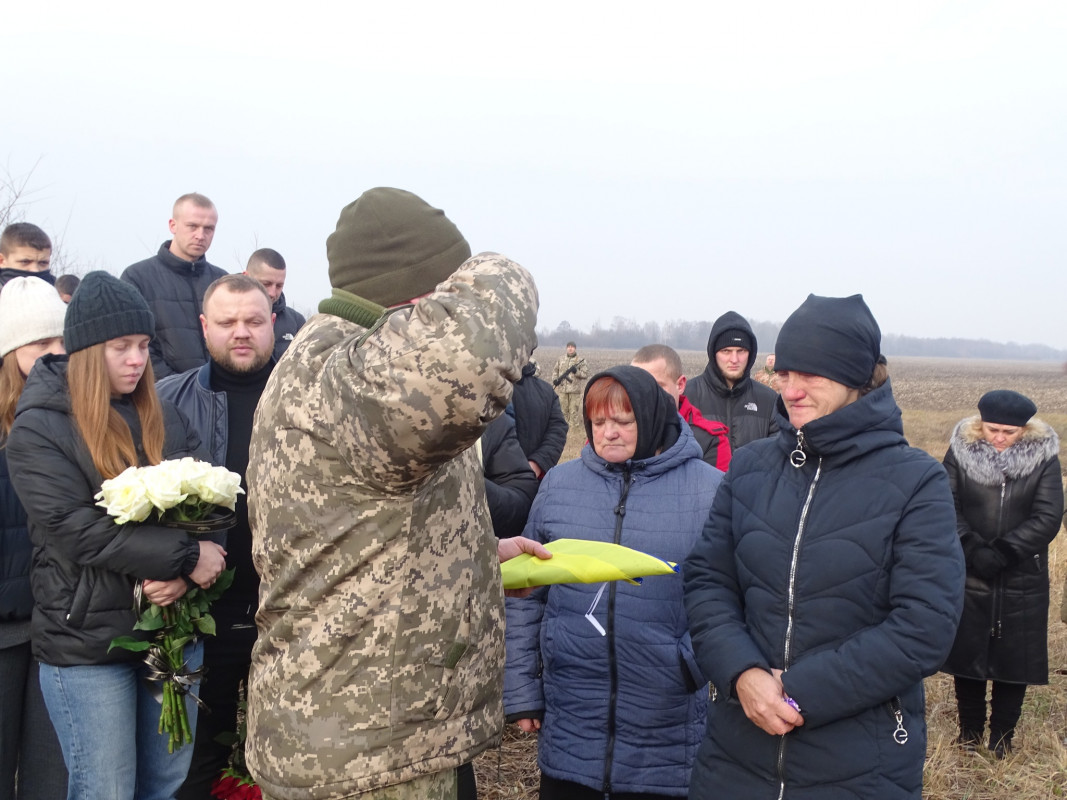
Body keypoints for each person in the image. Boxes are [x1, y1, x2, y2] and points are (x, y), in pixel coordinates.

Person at [244, 188, 539, 800]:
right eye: (445, 289)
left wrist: (477, 553)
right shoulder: (345, 375)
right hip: (363, 755)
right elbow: (475, 349)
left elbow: (372, 525)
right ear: (419, 295)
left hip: (384, 734)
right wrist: (489, 267)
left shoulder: (351, 373)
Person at [683, 294, 965, 800]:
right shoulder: (750, 468)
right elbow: (709, 581)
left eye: (810, 374)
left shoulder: (916, 482)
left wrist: (796, 690)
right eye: (784, 373)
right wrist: (742, 673)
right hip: (736, 755)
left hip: (860, 762)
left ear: (857, 377)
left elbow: (924, 626)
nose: (790, 389)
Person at [5, 270, 228, 800]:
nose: (137, 359)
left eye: (144, 346)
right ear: (84, 352)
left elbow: (212, 499)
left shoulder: (165, 415)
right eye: (120, 347)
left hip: (169, 634)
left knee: (165, 782)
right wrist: (182, 556)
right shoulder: (39, 427)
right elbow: (75, 531)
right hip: (87, 641)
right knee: (105, 788)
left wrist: (188, 571)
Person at [505, 365, 721, 799]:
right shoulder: (559, 487)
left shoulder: (711, 491)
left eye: (623, 421)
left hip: (665, 730)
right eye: (598, 422)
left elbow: (732, 594)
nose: (609, 433)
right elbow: (525, 594)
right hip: (572, 718)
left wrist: (688, 665)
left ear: (651, 417)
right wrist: (524, 688)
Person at [155, 274, 277, 799]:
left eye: (253, 320)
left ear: (274, 322)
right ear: (205, 328)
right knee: (197, 759)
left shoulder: (309, 400)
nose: (241, 332)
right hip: (208, 609)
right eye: (227, 322)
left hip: (293, 606)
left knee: (290, 757)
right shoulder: (168, 401)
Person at [941, 390, 1063, 758]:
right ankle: (970, 733)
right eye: (993, 429)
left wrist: (1006, 551)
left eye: (1009, 433)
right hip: (970, 570)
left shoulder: (1044, 458)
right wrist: (973, 548)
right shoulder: (960, 451)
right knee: (969, 655)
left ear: (1024, 431)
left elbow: (1048, 516)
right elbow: (947, 503)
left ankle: (1002, 739)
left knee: (1015, 658)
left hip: (1023, 574)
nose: (999, 438)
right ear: (980, 425)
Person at [0, 278, 68, 800]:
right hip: (4, 627)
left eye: (60, 342)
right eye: (40, 344)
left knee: (52, 775)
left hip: (54, 622)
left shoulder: (73, 414)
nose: (55, 354)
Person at [121, 193, 227, 379]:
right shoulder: (138, 277)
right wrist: (177, 388)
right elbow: (135, 344)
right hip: (162, 395)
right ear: (173, 225)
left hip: (217, 393)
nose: (200, 235)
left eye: (208, 228)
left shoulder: (223, 282)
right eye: (192, 226)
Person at [683, 311, 777, 457]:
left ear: (750, 354)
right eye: (726, 351)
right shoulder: (687, 396)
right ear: (713, 353)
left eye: (741, 351)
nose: (734, 359)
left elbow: (776, 458)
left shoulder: (769, 400)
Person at [632, 344, 731, 471]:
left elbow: (717, 488)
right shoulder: (617, 432)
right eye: (638, 387)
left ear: (680, 385)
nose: (646, 395)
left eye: (657, 387)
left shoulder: (709, 440)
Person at [510, 359, 568, 479]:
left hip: (531, 483)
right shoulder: (479, 389)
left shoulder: (546, 392)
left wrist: (537, 463)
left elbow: (558, 430)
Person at [244, 248, 306, 360]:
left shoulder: (296, 321)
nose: (272, 293)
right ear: (246, 277)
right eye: (266, 284)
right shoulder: (225, 317)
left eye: (279, 286)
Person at [0, 222, 55, 289]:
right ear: (2, 261)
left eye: (43, 263)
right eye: (25, 262)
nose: (35, 270)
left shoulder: (59, 295)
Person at [551, 341, 588, 428]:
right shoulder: (561, 359)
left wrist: (576, 372)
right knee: (563, 410)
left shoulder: (580, 360)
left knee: (573, 411)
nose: (570, 348)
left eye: (572, 347)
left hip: (574, 390)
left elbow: (585, 374)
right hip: (563, 389)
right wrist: (555, 380)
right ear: (566, 348)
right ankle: (563, 428)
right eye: (568, 347)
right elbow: (555, 371)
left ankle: (573, 429)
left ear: (575, 348)